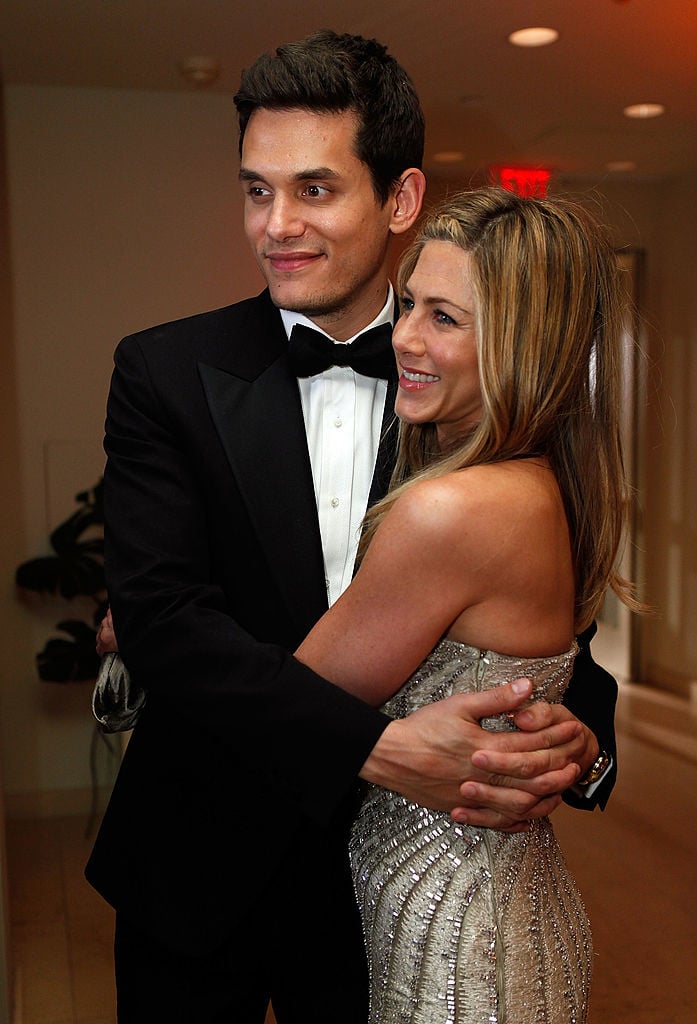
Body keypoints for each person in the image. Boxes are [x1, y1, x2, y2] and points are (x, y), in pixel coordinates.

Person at [85, 30, 616, 1024]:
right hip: (197, 863)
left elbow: (540, 618)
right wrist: (366, 744)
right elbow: (161, 621)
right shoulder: (162, 370)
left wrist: (582, 743)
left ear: (401, 198)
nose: (273, 224)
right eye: (255, 190)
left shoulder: (467, 391)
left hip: (386, 884)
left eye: (314, 190)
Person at [295, 187, 639, 1022]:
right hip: (497, 912)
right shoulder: (540, 482)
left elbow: (288, 705)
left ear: (522, 345)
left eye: (444, 317)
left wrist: (161, 640)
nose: (404, 336)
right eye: (408, 304)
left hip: (457, 944)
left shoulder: (451, 508)